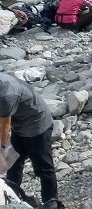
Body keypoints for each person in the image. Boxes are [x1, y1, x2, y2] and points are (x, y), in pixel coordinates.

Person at [0, 72, 61, 209]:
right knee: (14, 162)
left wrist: (1, 147)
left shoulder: (6, 94)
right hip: (20, 124)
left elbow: (5, 125)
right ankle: (11, 196)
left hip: (37, 125)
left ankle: (51, 202)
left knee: (43, 167)